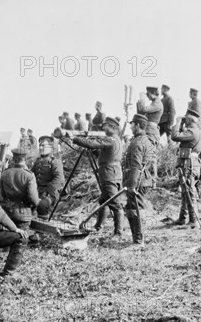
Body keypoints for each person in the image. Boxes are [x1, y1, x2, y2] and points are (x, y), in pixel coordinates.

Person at [68, 117, 123, 236]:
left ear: (112, 127)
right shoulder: (116, 140)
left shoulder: (111, 139)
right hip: (113, 172)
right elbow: (103, 154)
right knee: (104, 201)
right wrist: (92, 149)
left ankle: (119, 232)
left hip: (109, 174)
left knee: (115, 204)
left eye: (106, 126)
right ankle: (98, 227)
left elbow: (93, 143)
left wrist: (75, 138)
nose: (103, 128)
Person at [122, 114, 154, 244]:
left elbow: (136, 166)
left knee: (136, 210)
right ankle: (136, 237)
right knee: (131, 208)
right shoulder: (146, 140)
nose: (130, 127)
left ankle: (139, 239)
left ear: (139, 125)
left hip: (138, 180)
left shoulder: (138, 143)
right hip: (143, 179)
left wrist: (131, 185)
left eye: (132, 124)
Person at [171, 108, 201, 228]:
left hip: (188, 164)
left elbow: (174, 136)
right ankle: (183, 218)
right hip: (190, 163)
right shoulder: (196, 130)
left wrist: (178, 122)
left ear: (190, 119)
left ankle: (193, 220)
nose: (185, 118)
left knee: (189, 191)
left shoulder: (192, 132)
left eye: (186, 117)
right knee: (186, 191)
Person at [32, 136, 65, 220]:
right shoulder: (37, 161)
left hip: (50, 193)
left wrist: (47, 191)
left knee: (42, 205)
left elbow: (59, 178)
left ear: (50, 147)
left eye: (43, 145)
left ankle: (43, 225)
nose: (41, 147)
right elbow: (31, 176)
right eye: (40, 145)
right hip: (37, 191)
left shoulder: (55, 161)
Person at [136, 86, 163, 187]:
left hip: (151, 131)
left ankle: (153, 182)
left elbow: (143, 110)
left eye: (148, 94)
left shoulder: (158, 104)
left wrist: (141, 98)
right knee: (147, 155)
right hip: (148, 130)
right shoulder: (154, 103)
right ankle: (148, 181)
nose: (147, 97)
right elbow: (141, 112)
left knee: (151, 156)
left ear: (154, 93)